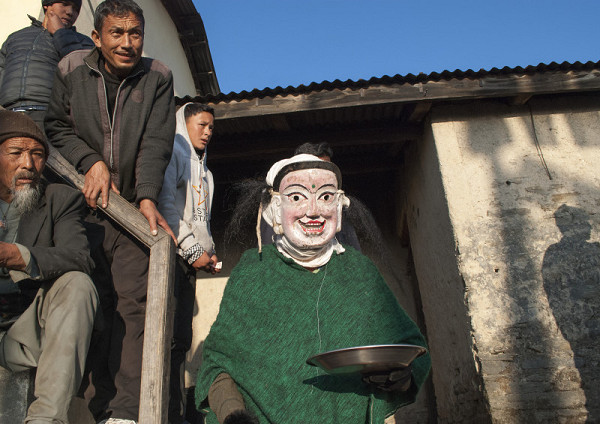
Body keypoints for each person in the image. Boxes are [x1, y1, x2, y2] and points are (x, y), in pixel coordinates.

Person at [196, 154, 431, 423]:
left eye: (326, 197)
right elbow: (217, 364)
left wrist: (400, 377)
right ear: (275, 208)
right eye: (297, 198)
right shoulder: (252, 273)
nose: (314, 211)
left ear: (340, 208)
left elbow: (411, 347)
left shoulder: (359, 272)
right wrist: (232, 413)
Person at [44, 0, 176, 422]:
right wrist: (91, 162)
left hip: (130, 211)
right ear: (97, 38)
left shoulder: (158, 77)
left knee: (133, 306)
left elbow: (156, 141)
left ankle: (123, 413)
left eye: (134, 33)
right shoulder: (69, 69)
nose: (127, 43)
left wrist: (148, 197)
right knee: (87, 303)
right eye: (116, 34)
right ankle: (83, 409)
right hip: (77, 205)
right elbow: (54, 128)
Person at [0, 110, 98, 423]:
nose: (27, 165)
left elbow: (79, 256)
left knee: (78, 284)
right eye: (15, 153)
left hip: (25, 332)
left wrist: (17, 255)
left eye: (37, 155)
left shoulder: (59, 199)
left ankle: (46, 419)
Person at [157, 102, 221, 424]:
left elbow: (200, 221)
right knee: (167, 339)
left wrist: (206, 254)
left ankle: (177, 413)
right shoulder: (174, 155)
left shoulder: (206, 174)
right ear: (184, 124)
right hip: (171, 258)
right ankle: (165, 412)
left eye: (211, 127)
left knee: (182, 339)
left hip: (191, 263)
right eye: (201, 125)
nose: (208, 132)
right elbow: (166, 206)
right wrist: (193, 251)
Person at [0, 0, 94, 128]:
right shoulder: (16, 37)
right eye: (64, 4)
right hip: (9, 115)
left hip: (50, 118)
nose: (70, 12)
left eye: (76, 9)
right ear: (47, 5)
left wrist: (60, 34)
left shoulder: (83, 42)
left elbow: (84, 72)